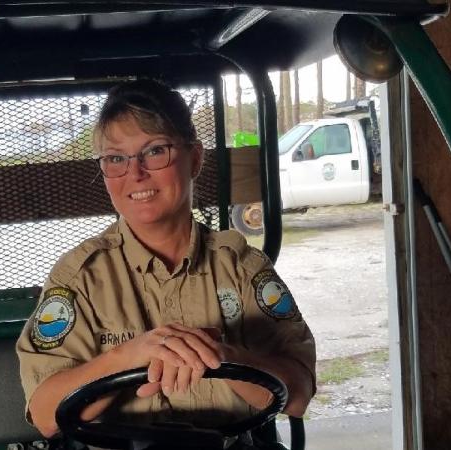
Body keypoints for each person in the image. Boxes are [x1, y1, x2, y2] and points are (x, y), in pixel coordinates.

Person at [16, 79, 316, 439]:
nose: (135, 173)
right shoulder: (79, 278)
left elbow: (297, 395)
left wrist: (217, 356)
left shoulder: (241, 268)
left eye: (155, 151)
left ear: (196, 158)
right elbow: (45, 414)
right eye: (115, 158)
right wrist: (128, 357)